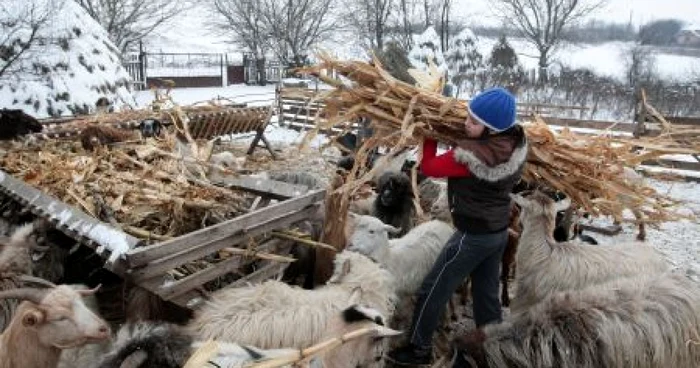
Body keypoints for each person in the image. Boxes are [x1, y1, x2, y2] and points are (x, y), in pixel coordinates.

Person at [385, 87, 528, 366]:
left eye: (474, 122)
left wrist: (428, 135)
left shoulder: (469, 156)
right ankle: (493, 351)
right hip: (497, 232)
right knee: (486, 297)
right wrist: (463, 134)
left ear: (491, 130)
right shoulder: (514, 143)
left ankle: (419, 349)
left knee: (433, 289)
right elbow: (474, 141)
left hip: (471, 236)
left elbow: (430, 167)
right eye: (468, 116)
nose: (466, 123)